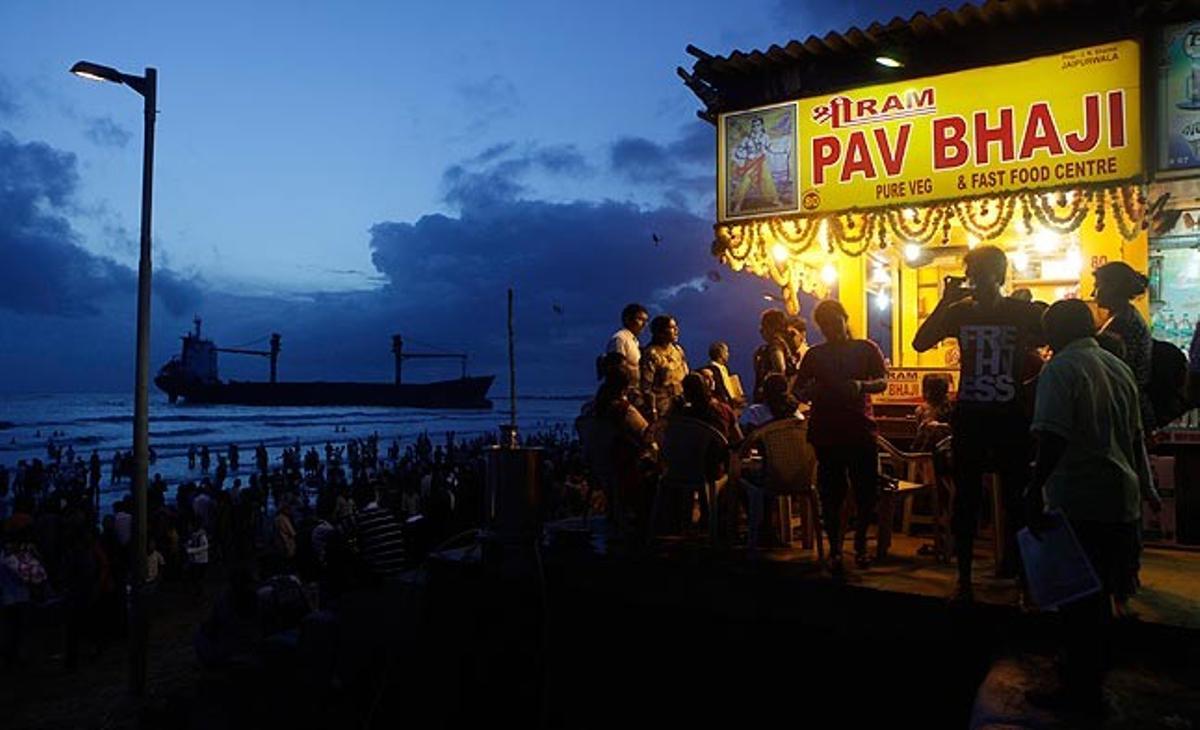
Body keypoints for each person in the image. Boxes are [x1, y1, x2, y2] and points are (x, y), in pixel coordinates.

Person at [1024, 299, 1153, 714]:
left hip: (1079, 496)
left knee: (1078, 601)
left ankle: (1081, 692)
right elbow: (1135, 438)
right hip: (1120, 496)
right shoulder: (1118, 368)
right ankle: (1090, 681)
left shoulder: (1060, 369)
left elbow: (1053, 438)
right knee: (1101, 596)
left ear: (1057, 332)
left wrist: (1032, 488)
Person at [913, 245, 1045, 602]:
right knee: (966, 500)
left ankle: (1023, 578)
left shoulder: (1023, 312)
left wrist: (1036, 384)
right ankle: (966, 577)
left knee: (1017, 501)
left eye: (983, 275)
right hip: (971, 417)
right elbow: (921, 341)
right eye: (974, 276)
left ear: (999, 277)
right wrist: (945, 300)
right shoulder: (959, 312)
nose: (978, 283)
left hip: (1010, 418)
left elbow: (1058, 337)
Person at [794, 300, 888, 574]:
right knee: (831, 493)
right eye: (826, 326)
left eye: (836, 323)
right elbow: (798, 390)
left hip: (860, 428)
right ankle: (835, 549)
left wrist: (860, 385)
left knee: (866, 491)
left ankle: (859, 544)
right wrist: (810, 392)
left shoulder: (866, 348)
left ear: (845, 319)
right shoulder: (814, 355)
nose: (832, 329)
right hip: (827, 431)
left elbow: (883, 381)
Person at [1093, 261, 1155, 431]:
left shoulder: (1121, 322)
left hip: (1124, 408)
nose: (1093, 293)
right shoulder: (1126, 316)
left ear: (1112, 287)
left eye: (1097, 286)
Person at [730, 115, 786, 214]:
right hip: (750, 163)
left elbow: (770, 147)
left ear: (761, 126)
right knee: (745, 183)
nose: (756, 127)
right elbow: (739, 151)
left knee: (768, 180)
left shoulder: (765, 137)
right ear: (752, 127)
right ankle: (738, 204)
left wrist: (780, 151)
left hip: (761, 162)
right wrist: (740, 154)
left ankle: (774, 200)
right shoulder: (747, 139)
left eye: (758, 125)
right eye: (754, 125)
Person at [640, 315, 689, 420]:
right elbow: (646, 387)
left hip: (681, 403)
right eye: (672, 327)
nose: (676, 330)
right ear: (660, 332)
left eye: (676, 327)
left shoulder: (678, 350)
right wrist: (653, 410)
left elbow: (685, 375)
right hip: (662, 407)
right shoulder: (652, 354)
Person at [752, 309, 795, 403]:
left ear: (771, 327)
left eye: (763, 326)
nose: (761, 330)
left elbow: (779, 369)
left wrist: (765, 388)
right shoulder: (782, 343)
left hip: (774, 402)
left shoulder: (775, 344)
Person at [604, 303, 650, 380]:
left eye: (646, 321)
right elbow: (617, 369)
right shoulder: (620, 339)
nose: (644, 324)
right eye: (640, 319)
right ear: (627, 319)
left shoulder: (634, 341)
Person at [705, 342, 746, 409]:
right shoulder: (714, 370)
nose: (728, 354)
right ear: (721, 354)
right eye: (726, 352)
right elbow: (721, 389)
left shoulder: (723, 368)